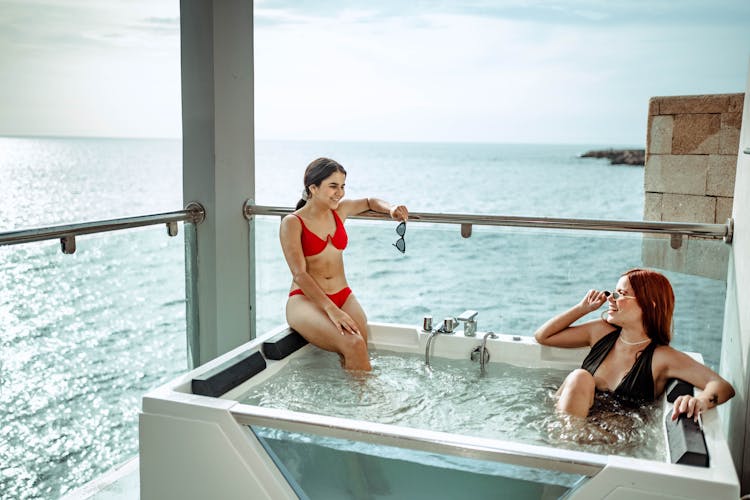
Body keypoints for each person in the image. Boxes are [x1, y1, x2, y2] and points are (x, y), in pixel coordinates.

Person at [534, 268, 734, 420]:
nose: (611, 299)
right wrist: (581, 309)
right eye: (614, 293)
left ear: (649, 304)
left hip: (610, 442)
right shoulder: (600, 332)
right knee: (580, 377)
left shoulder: (661, 357)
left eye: (621, 294)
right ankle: (563, 448)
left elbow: (721, 386)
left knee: (580, 377)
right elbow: (544, 336)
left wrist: (700, 401)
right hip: (566, 427)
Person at [279, 157, 408, 371]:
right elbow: (299, 275)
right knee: (354, 343)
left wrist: (391, 209)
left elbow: (368, 202)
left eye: (342, 186)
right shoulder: (292, 223)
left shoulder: (340, 211)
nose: (340, 192)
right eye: (333, 186)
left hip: (343, 295)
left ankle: (357, 397)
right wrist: (332, 310)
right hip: (306, 300)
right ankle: (369, 401)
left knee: (361, 345)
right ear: (313, 188)